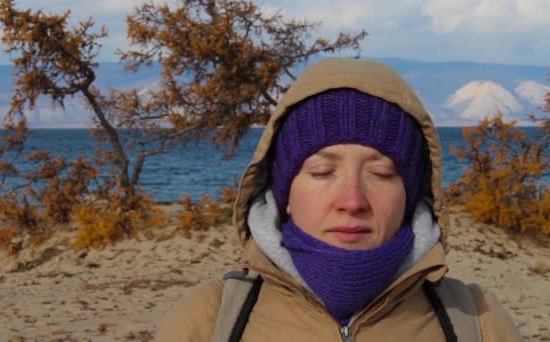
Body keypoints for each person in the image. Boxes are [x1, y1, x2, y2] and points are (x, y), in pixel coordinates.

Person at [156, 58, 521, 341]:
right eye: (321, 172)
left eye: (380, 173)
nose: (352, 200)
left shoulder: (478, 321)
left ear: (410, 194)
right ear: (284, 194)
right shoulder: (210, 319)